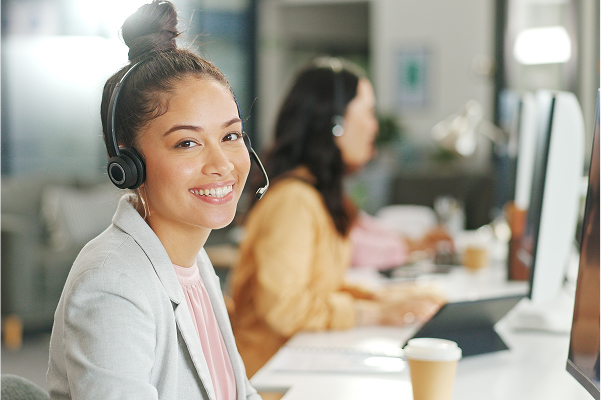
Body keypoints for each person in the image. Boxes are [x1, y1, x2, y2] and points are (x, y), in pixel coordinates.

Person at [47, 2, 262, 399]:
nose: (222, 165)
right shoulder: (112, 285)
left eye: (230, 136)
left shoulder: (193, 261)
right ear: (128, 164)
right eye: (187, 143)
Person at [229, 58, 447, 378]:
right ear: (336, 124)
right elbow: (284, 308)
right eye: (368, 112)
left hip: (300, 365)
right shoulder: (294, 201)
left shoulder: (315, 196)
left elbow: (319, 285)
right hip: (269, 376)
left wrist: (392, 299)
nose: (374, 126)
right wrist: (374, 313)